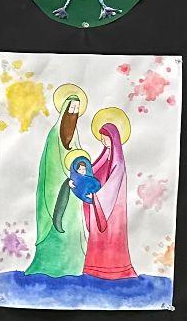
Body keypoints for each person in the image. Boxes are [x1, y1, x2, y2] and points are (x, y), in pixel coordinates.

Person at [26, 89, 86, 277]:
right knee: (57, 220)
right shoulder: (54, 136)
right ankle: (50, 266)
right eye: (71, 108)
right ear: (64, 110)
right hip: (56, 190)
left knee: (72, 224)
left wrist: (78, 177)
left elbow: (78, 158)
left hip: (74, 189)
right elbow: (51, 168)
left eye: (76, 109)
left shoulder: (75, 136)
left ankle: (73, 266)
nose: (74, 112)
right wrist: (66, 181)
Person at [83, 114, 138, 280]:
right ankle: (94, 269)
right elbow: (91, 173)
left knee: (112, 238)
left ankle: (115, 270)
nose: (103, 141)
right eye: (102, 138)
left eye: (106, 138)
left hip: (112, 211)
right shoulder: (104, 158)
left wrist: (96, 197)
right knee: (98, 239)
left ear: (113, 139)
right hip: (99, 208)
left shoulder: (118, 163)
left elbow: (112, 187)